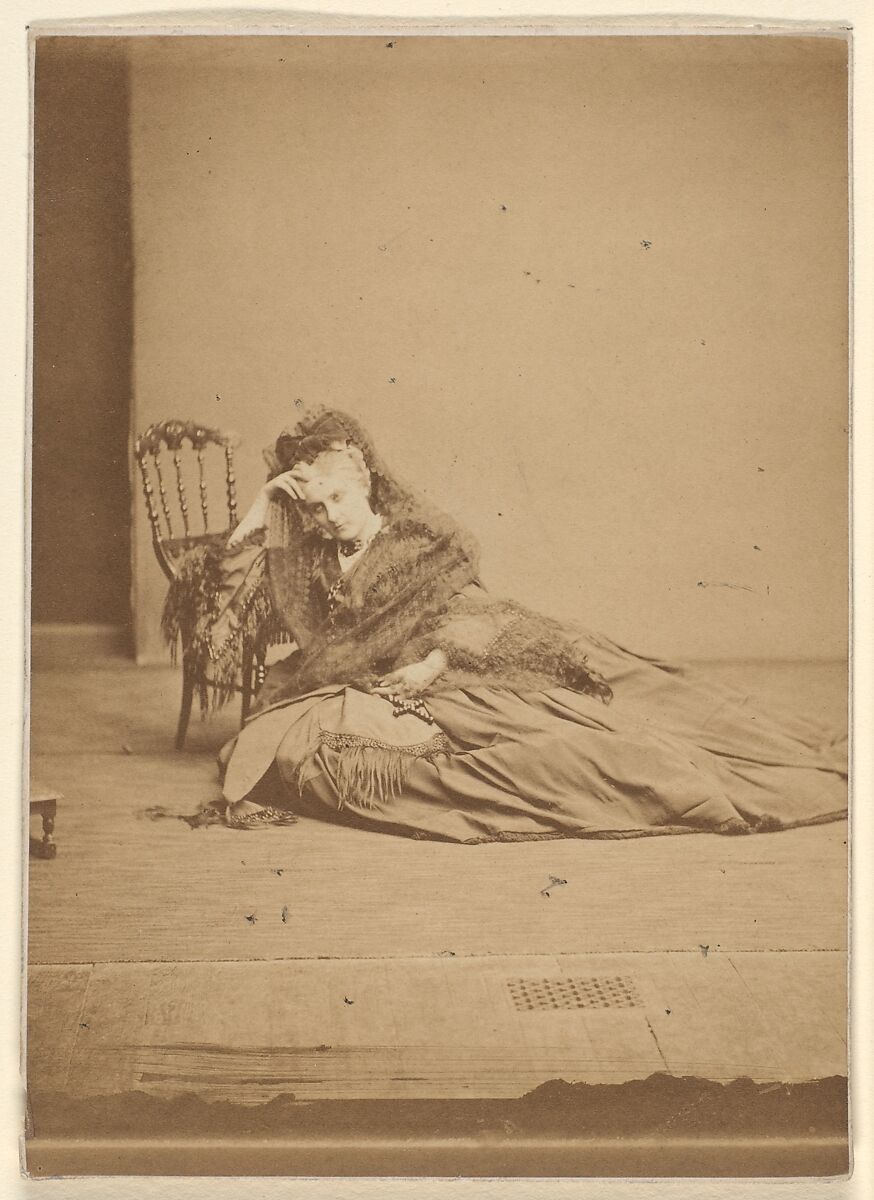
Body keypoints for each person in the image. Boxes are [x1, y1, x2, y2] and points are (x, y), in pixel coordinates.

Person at [162, 407, 847, 840]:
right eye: (314, 505)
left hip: (467, 656)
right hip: (376, 673)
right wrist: (265, 506)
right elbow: (225, 599)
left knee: (625, 715)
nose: (330, 515)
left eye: (339, 497)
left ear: (366, 483)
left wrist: (432, 665)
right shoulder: (308, 557)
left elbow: (473, 612)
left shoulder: (422, 538)